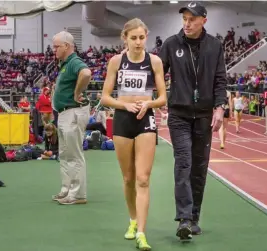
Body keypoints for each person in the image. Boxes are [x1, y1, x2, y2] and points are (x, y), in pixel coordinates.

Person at [158, 1, 227, 240]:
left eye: (191, 19)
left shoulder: (215, 46)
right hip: (179, 114)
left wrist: (220, 107)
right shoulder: (170, 44)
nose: (186, 24)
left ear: (203, 21)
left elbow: (220, 79)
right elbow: (157, 73)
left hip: (205, 116)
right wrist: (158, 97)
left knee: (199, 168)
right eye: (184, 19)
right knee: (184, 163)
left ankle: (194, 217)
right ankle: (184, 219)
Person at [101, 18, 167, 251]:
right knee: (128, 178)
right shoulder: (116, 62)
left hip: (145, 120)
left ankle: (142, 232)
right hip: (123, 119)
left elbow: (162, 98)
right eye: (134, 38)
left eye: (142, 37)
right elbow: (105, 97)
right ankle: (132, 220)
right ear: (125, 38)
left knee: (143, 178)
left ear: (146, 37)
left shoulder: (155, 62)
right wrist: (124, 105)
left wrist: (148, 104)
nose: (138, 42)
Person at [51, 31, 91, 205]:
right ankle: (67, 189)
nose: (54, 50)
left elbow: (86, 73)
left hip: (72, 112)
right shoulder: (65, 64)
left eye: (56, 46)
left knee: (74, 154)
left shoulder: (74, 62)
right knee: (65, 154)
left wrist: (77, 93)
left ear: (66, 46)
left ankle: (78, 194)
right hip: (64, 113)